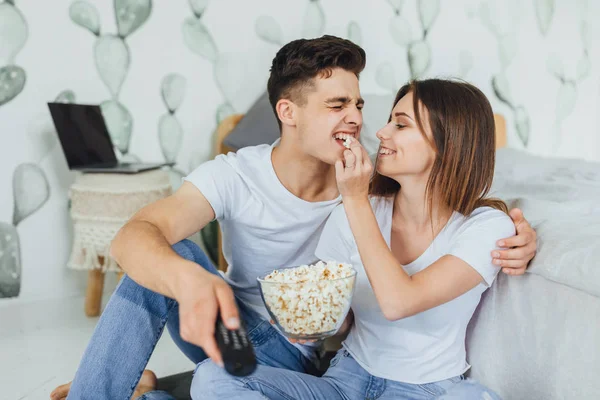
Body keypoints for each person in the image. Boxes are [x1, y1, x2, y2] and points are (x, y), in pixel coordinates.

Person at [51, 37, 536, 400]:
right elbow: (133, 238)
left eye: (360, 105)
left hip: (296, 352)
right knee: (165, 256)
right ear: (288, 112)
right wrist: (191, 282)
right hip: (228, 327)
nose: (361, 122)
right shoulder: (236, 175)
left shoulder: (366, 182)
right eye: (336, 105)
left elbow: (446, 191)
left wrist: (518, 229)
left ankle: (142, 391)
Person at [189, 78, 518, 399]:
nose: (380, 132)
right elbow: (342, 319)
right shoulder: (358, 211)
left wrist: (356, 199)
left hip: (424, 389)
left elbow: (398, 302)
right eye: (389, 120)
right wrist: (312, 320)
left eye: (400, 125)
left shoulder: (486, 227)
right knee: (212, 378)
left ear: (449, 141)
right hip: (346, 379)